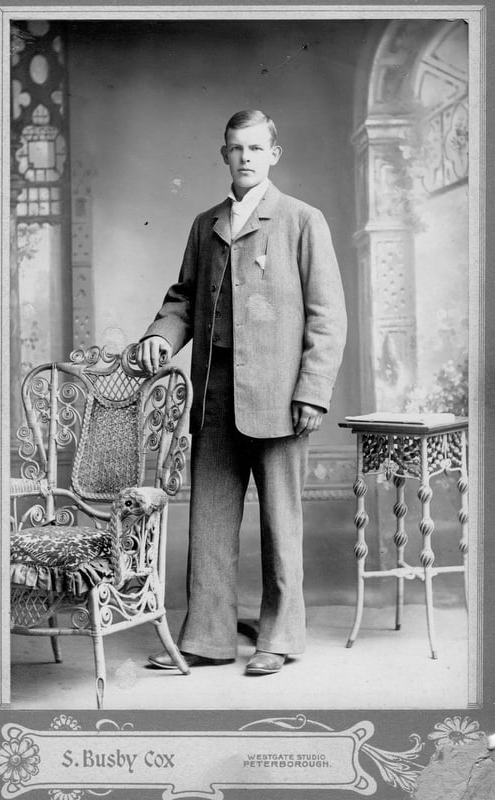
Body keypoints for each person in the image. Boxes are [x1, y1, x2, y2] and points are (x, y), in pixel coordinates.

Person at [136, 109, 347, 675]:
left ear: (274, 154)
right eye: (236, 149)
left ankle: (279, 637)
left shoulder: (303, 221)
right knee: (208, 520)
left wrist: (312, 392)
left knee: (282, 521)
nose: (246, 158)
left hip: (281, 398)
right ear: (224, 154)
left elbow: (328, 319)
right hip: (214, 392)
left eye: (256, 148)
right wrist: (161, 336)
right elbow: (182, 299)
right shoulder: (206, 224)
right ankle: (205, 637)